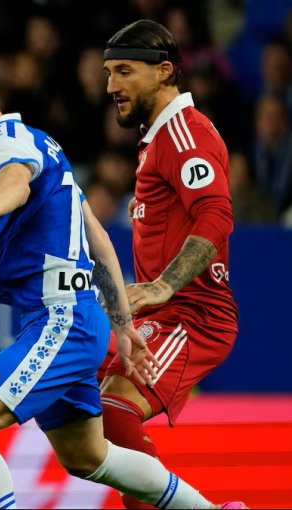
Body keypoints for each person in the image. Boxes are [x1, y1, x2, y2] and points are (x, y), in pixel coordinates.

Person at [0, 46, 247, 509]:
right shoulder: (41, 143)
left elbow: (15, 183)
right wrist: (123, 324)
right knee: (87, 455)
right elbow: (99, 242)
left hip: (62, 319)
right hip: (74, 318)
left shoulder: (2, 144)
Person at [99, 20, 241, 510]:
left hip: (194, 313)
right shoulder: (157, 138)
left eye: (124, 72)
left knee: (114, 409)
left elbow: (217, 213)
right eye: (108, 72)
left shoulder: (184, 133)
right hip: (159, 314)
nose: (111, 85)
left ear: (164, 72)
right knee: (82, 403)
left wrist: (165, 285)